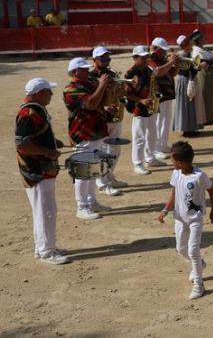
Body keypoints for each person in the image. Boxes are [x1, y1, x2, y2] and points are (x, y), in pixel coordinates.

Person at [157, 141, 213, 300]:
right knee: (181, 249)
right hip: (179, 218)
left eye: (171, 159)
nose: (171, 162)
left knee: (193, 250)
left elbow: (212, 192)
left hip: (195, 219)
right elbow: (173, 192)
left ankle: (199, 285)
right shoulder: (176, 173)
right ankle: (200, 264)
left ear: (180, 162)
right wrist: (166, 209)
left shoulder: (200, 176)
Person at [17, 78, 69, 264]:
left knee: (44, 210)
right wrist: (49, 152)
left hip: (39, 169)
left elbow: (35, 137)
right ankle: (47, 252)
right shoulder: (29, 113)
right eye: (48, 91)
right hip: (37, 171)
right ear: (39, 94)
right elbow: (23, 145)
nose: (52, 95)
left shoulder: (34, 109)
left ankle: (43, 247)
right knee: (45, 211)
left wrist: (53, 143)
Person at [63, 57, 112, 220]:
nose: (87, 71)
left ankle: (91, 201)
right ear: (74, 72)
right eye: (83, 69)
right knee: (83, 172)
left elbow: (105, 101)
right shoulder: (71, 89)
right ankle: (81, 206)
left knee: (94, 168)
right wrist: (102, 85)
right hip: (82, 133)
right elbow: (90, 104)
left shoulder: (89, 83)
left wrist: (107, 88)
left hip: (96, 131)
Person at [89, 47, 129, 193]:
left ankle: (109, 176)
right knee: (104, 150)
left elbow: (118, 91)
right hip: (102, 117)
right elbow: (91, 98)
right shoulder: (92, 76)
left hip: (115, 115)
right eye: (103, 59)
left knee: (115, 150)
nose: (107, 62)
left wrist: (119, 89)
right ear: (95, 60)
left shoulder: (111, 73)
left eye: (108, 59)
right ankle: (102, 182)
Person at [124, 46, 161, 176]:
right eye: (142, 57)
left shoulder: (148, 70)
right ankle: (137, 163)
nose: (145, 59)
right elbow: (126, 93)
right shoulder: (130, 74)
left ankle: (150, 158)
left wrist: (155, 88)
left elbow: (153, 85)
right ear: (135, 58)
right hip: (138, 108)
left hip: (150, 105)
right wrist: (140, 101)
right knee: (139, 137)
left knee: (152, 134)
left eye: (146, 57)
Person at [149, 37, 180, 160]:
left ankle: (163, 144)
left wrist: (176, 65)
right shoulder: (149, 58)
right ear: (155, 48)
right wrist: (171, 62)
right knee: (157, 123)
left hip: (167, 94)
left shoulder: (162, 59)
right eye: (162, 50)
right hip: (158, 95)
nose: (164, 53)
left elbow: (172, 73)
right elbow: (157, 73)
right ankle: (155, 148)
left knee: (165, 122)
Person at [191, 30, 213, 125]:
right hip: (203, 74)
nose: (205, 39)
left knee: (210, 94)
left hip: (209, 74)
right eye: (203, 38)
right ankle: (206, 117)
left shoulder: (204, 50)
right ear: (198, 40)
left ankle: (210, 116)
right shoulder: (196, 50)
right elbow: (202, 62)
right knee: (204, 95)